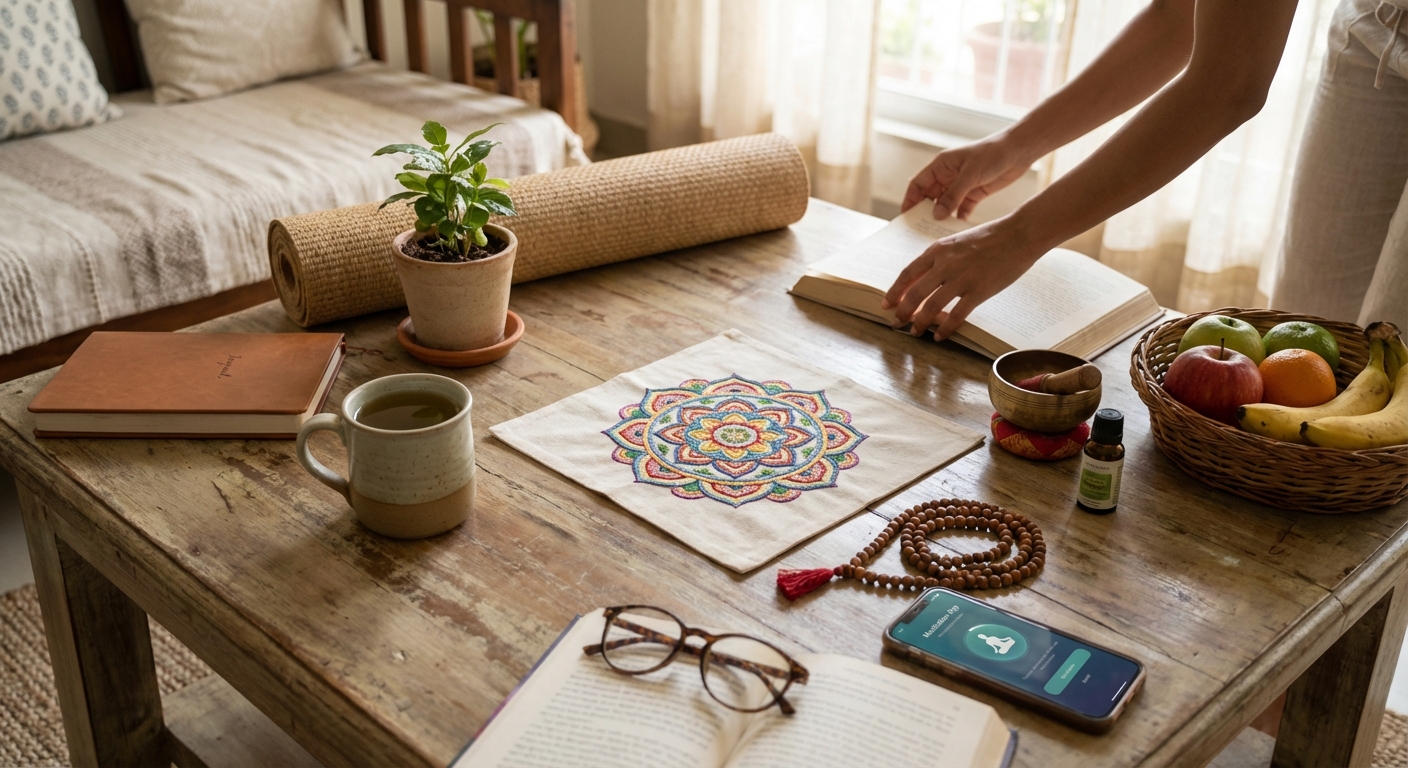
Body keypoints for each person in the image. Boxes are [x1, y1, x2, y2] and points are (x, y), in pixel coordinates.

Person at [884, 0, 1408, 341]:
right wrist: (1014, 145)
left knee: (1397, 354)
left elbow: (1230, 84)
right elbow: (1178, 17)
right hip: (1376, 24)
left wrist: (1017, 237)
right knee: (1312, 337)